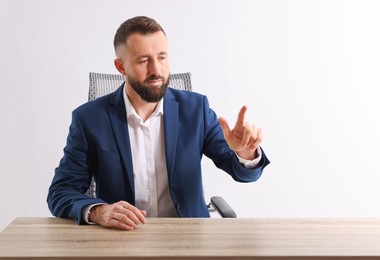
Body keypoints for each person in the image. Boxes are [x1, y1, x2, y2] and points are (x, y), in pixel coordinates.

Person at [47, 16, 270, 230]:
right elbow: (61, 191)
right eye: (144, 60)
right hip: (122, 240)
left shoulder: (196, 109)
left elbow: (242, 173)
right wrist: (99, 211)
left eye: (162, 57)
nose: (156, 70)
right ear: (121, 67)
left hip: (188, 239)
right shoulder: (89, 119)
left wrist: (245, 154)